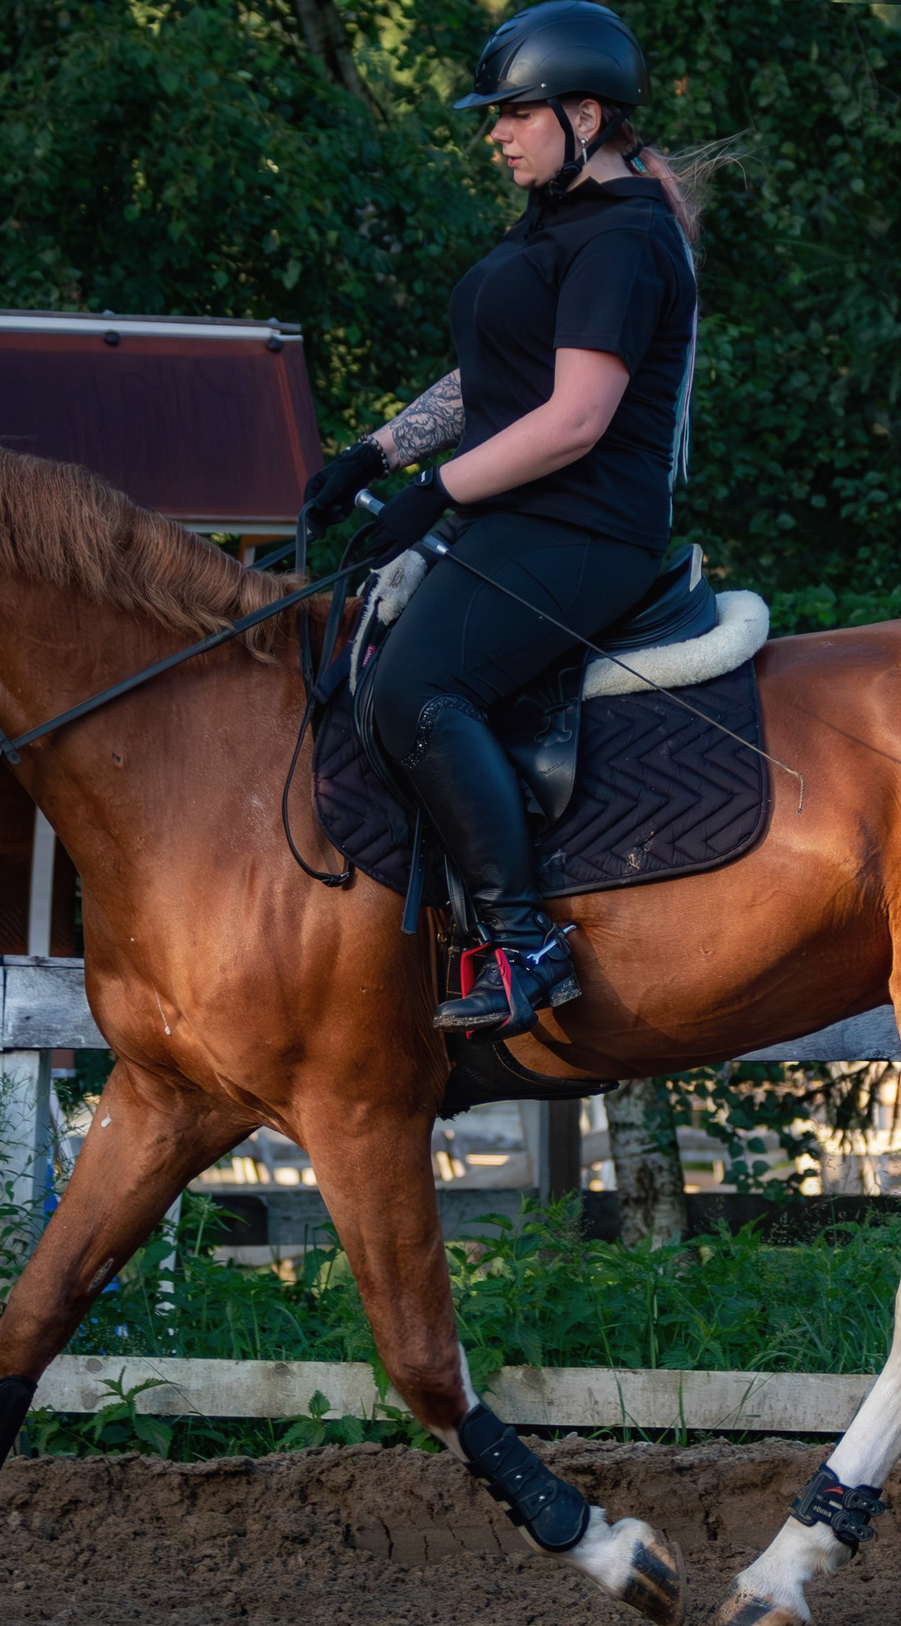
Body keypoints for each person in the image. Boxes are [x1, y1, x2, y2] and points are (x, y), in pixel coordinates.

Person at [298, 1, 703, 1040]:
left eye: (513, 114)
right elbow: (497, 378)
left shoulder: (625, 239)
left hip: (584, 529)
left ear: (582, 114)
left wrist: (436, 494)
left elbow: (573, 419)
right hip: (518, 518)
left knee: (418, 688)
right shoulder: (557, 226)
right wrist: (380, 453)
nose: (495, 133)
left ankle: (525, 947)